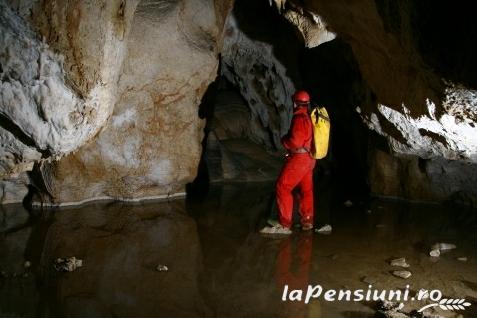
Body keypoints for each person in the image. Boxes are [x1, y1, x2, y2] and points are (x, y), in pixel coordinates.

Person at [260, 90, 315, 235]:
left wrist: (285, 141)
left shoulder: (299, 118)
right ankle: (307, 220)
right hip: (309, 159)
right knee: (306, 190)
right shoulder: (309, 117)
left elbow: (295, 142)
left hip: (299, 159)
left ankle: (284, 223)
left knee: (282, 187)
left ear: (295, 103)